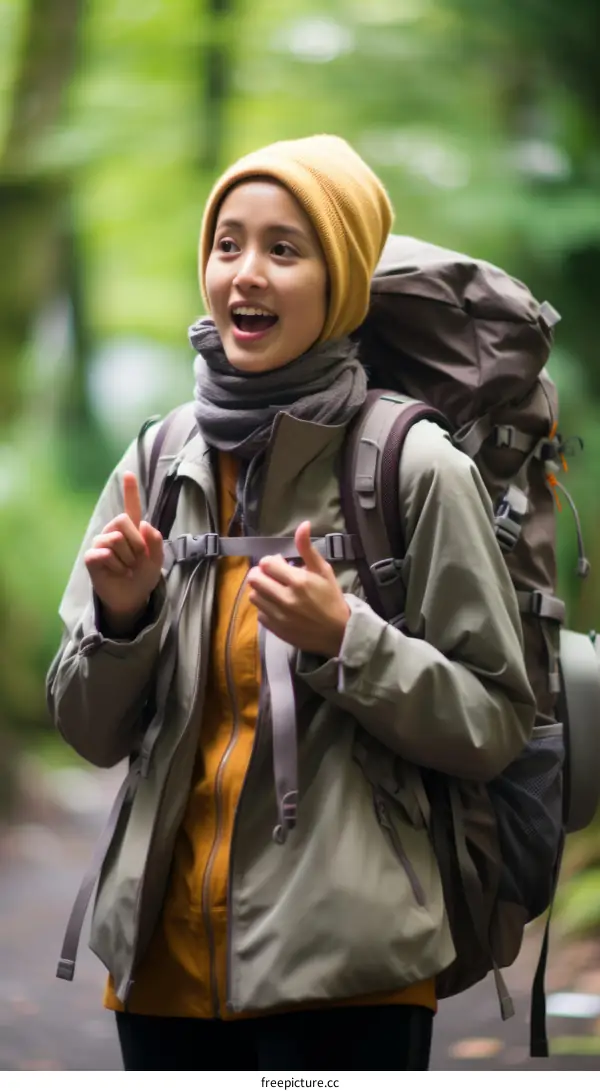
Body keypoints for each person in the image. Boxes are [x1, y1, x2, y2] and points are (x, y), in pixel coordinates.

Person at [47, 135, 536, 1072]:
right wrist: (121, 621)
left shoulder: (413, 466)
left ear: (340, 278)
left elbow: (496, 721)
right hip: (163, 968)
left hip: (349, 968)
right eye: (227, 244)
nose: (246, 274)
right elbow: (88, 732)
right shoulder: (158, 461)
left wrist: (346, 638)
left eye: (284, 248)